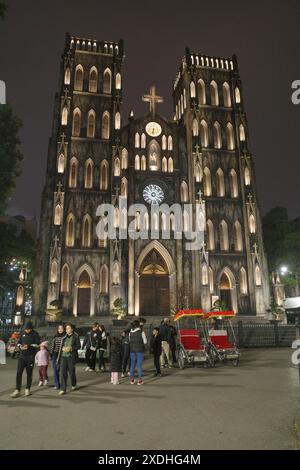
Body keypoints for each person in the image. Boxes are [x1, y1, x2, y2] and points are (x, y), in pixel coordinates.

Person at [11, 320, 40, 398]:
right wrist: (20, 346)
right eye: (25, 329)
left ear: (31, 328)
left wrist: (29, 346)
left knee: (29, 374)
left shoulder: (35, 334)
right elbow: (19, 342)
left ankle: (27, 389)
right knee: (18, 373)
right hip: (22, 356)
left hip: (30, 357)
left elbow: (38, 345)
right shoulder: (22, 333)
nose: (26, 330)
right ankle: (17, 390)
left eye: (28, 329)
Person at [57, 323, 81, 396]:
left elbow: (78, 346)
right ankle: (63, 389)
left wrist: (71, 348)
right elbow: (61, 347)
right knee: (63, 373)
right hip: (64, 357)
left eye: (68, 328)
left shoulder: (76, 336)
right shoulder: (64, 337)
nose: (67, 330)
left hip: (71, 357)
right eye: (66, 328)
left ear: (72, 329)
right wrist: (59, 356)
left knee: (72, 372)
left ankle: (74, 384)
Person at [129, 320, 147, 385]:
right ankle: (139, 381)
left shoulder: (130, 332)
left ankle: (132, 380)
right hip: (140, 350)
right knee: (139, 366)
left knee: (132, 365)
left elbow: (129, 341)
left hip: (132, 350)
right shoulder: (141, 332)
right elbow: (145, 342)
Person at [50, 324, 65, 389]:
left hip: (62, 355)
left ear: (64, 329)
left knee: (62, 370)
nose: (60, 330)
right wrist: (51, 354)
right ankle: (56, 384)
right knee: (55, 370)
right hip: (55, 355)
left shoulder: (65, 336)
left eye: (61, 328)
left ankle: (63, 384)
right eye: (59, 329)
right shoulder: (55, 336)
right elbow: (52, 346)